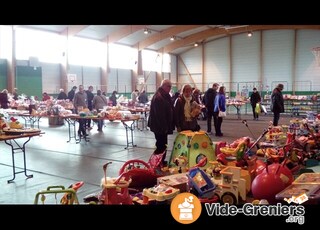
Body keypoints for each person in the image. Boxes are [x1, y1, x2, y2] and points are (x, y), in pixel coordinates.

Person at [148, 79, 175, 163]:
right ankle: (155, 162)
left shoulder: (164, 95)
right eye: (169, 86)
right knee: (160, 145)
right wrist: (164, 127)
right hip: (159, 127)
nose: (170, 88)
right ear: (164, 86)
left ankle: (160, 161)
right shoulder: (159, 97)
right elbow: (159, 115)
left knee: (163, 145)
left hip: (162, 126)